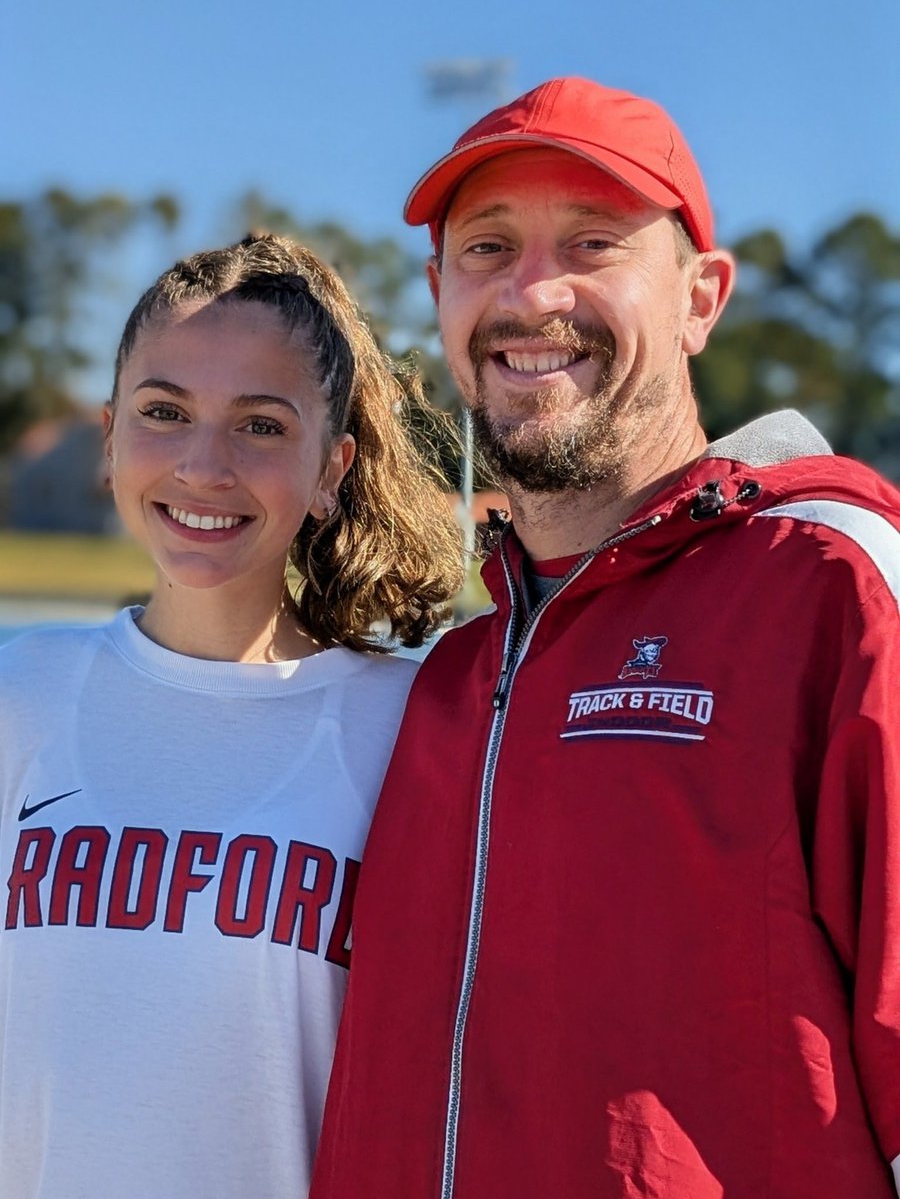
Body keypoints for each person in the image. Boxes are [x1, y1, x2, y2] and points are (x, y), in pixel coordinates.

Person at [310, 78, 900, 1199]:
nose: (534, 294)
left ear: (700, 298)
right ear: (440, 296)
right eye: (488, 248)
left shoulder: (828, 586)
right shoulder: (447, 680)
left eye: (593, 242)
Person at [0, 232, 463, 1198]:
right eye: (164, 412)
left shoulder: (415, 723)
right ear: (112, 433)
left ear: (332, 467)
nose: (204, 466)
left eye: (260, 425)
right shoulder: (21, 690)